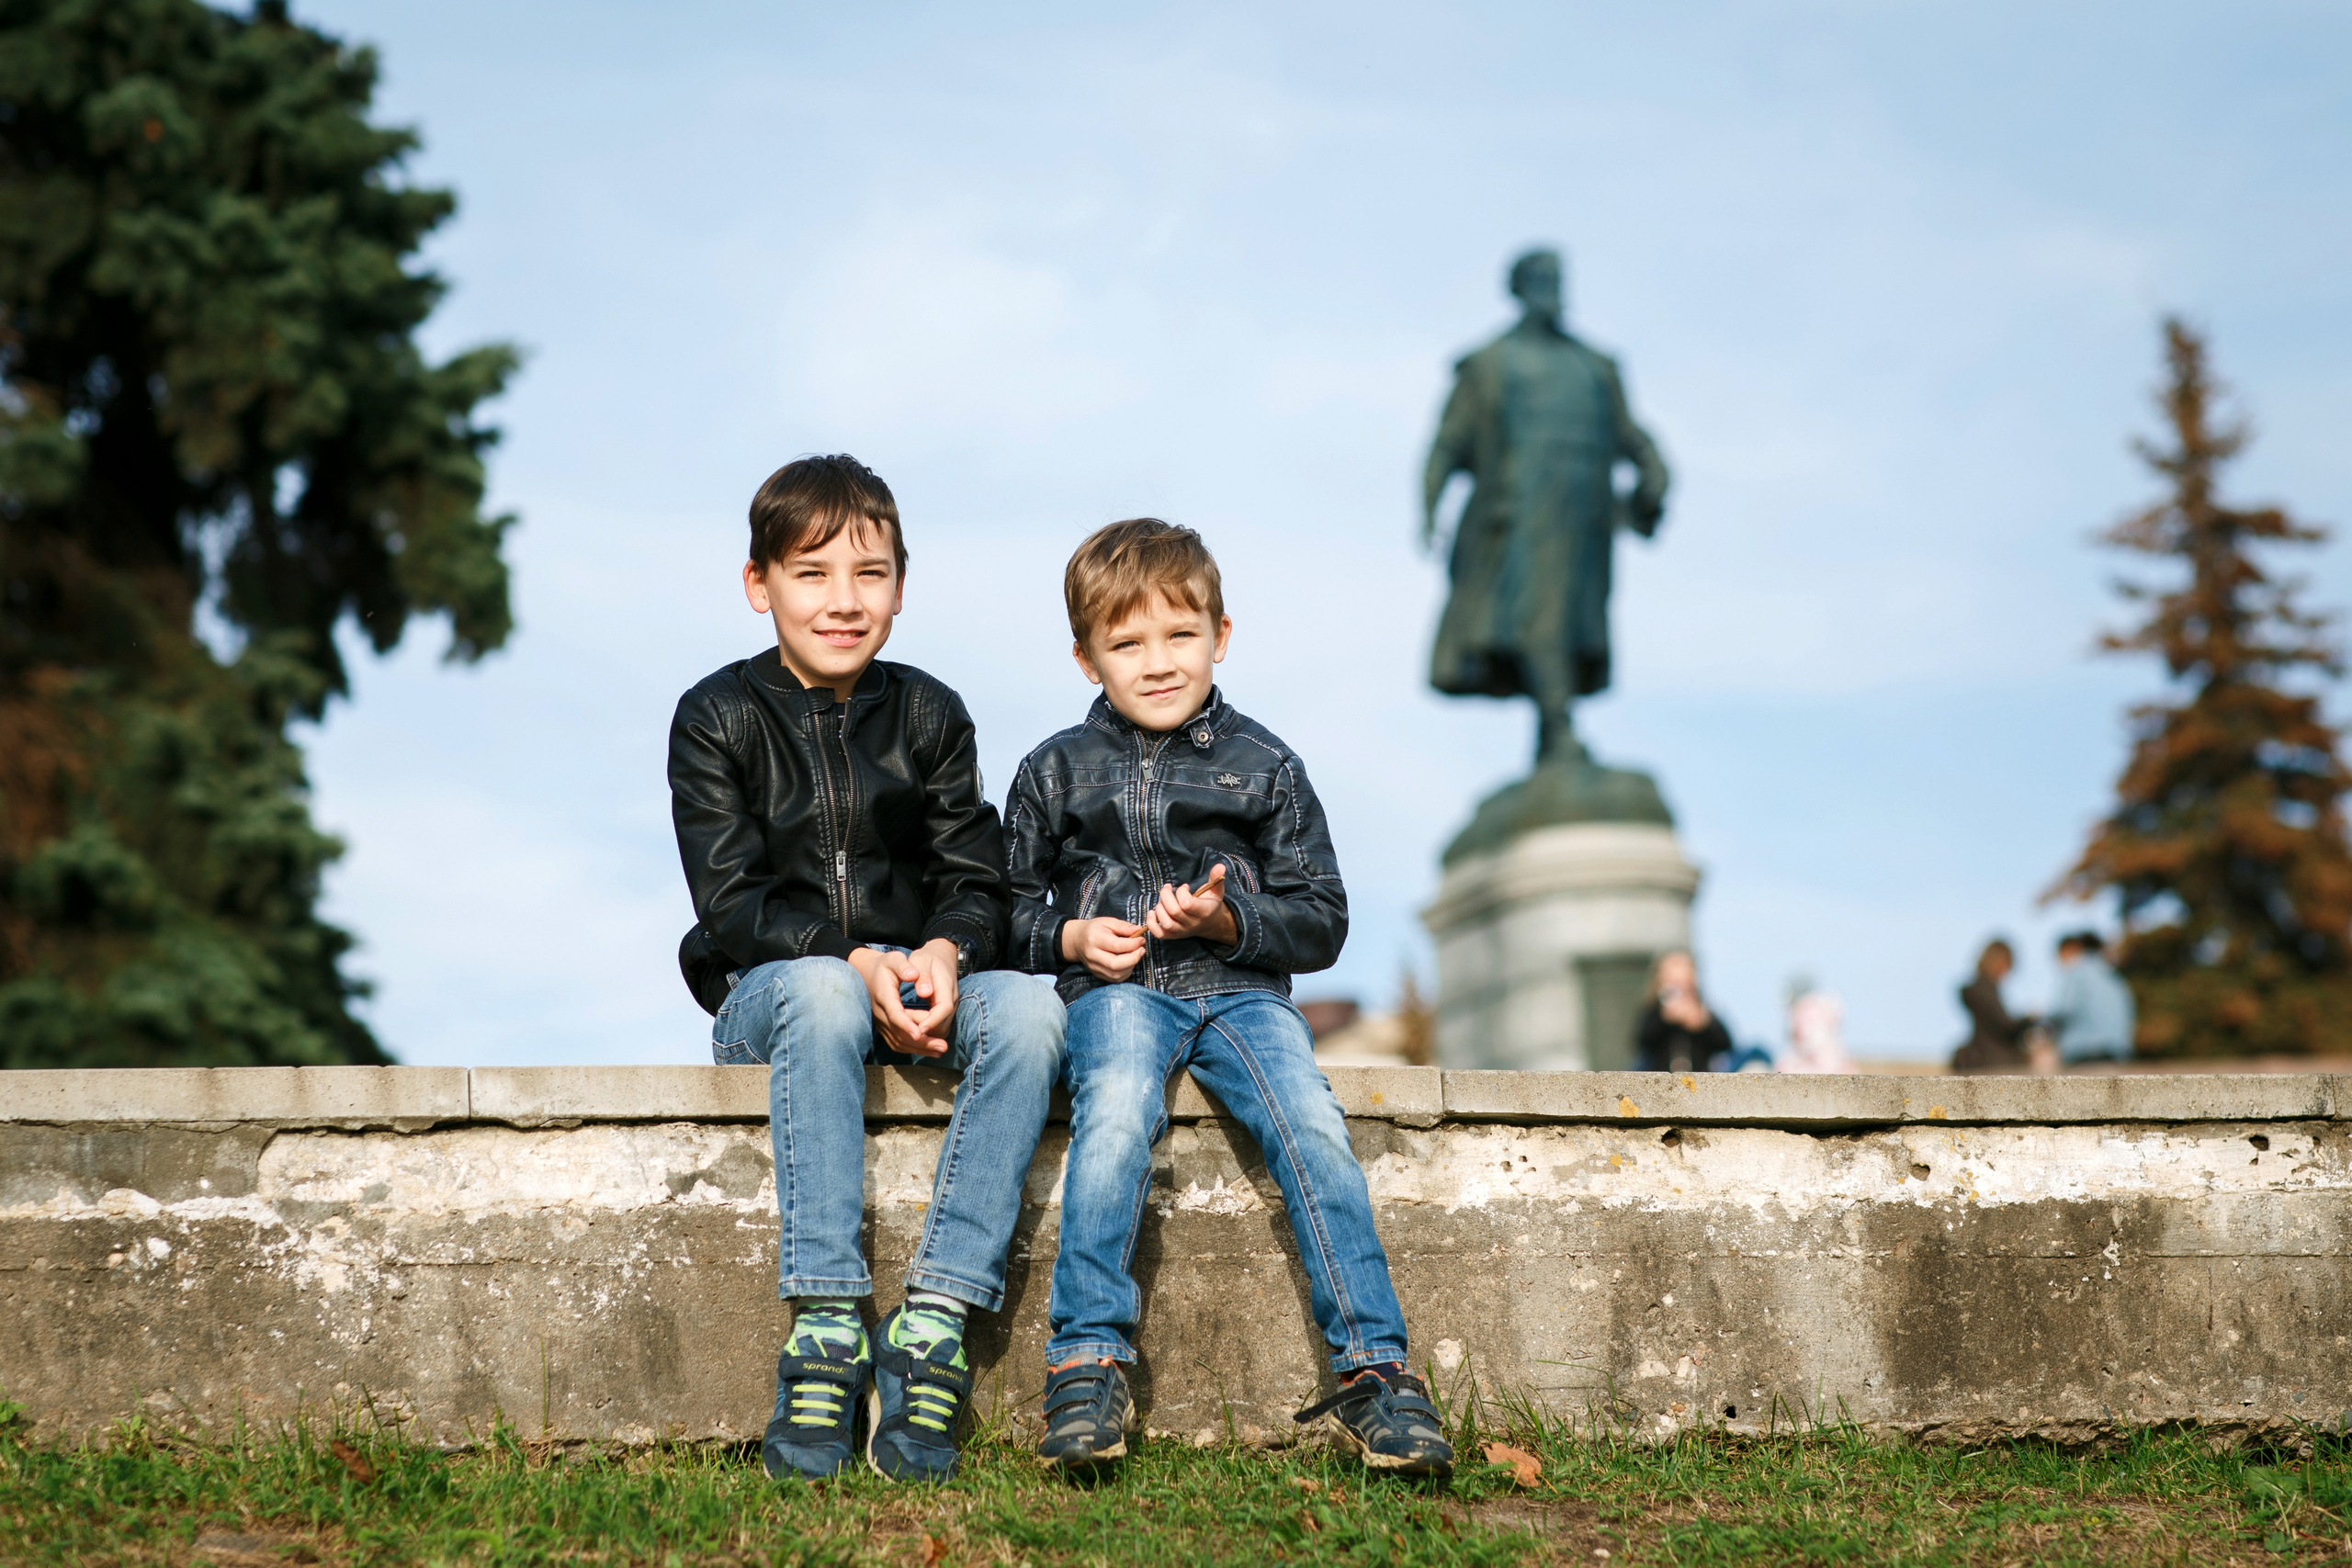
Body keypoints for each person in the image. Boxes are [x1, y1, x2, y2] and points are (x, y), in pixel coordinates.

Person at [1004, 518, 1455, 1478]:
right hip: (1116, 995)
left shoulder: (1266, 765)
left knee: (1311, 1127)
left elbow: (1321, 919)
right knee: (1116, 1119)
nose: (1157, 662)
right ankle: (1086, 1361)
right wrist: (1072, 937)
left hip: (1242, 998)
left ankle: (1376, 1372)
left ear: (1222, 634)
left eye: (1180, 635)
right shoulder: (1052, 771)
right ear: (1086, 658)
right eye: (1126, 643)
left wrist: (1226, 921)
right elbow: (998, 911)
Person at [668, 454, 1067, 1483]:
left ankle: (931, 1323)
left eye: (870, 574)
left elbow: (976, 880)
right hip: (775, 991)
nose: (843, 601)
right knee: (819, 988)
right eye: (811, 574)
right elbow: (732, 903)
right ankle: (829, 1325)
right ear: (759, 586)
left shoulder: (930, 713)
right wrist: (855, 962)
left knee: (1027, 1010)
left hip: (915, 975)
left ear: (899, 585)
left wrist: (941, 952)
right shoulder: (716, 718)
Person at [2048, 931, 2136, 1066]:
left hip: (2083, 1053)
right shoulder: (2113, 976)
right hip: (2117, 1054)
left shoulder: (2077, 972)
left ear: (2071, 950)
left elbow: (2064, 1010)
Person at [1634, 950, 1731, 1072]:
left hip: (1699, 1078)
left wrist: (1704, 1023)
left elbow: (1725, 1043)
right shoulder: (1654, 1013)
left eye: (1684, 984)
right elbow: (1643, 1041)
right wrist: (1665, 1018)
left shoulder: (1703, 1012)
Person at [1951, 939, 2031, 1075]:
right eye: (2007, 965)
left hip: (1987, 1056)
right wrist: (2029, 1020)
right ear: (1996, 962)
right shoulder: (1984, 989)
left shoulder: (1981, 989)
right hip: (1993, 1060)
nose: (2007, 972)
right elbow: (2005, 1024)